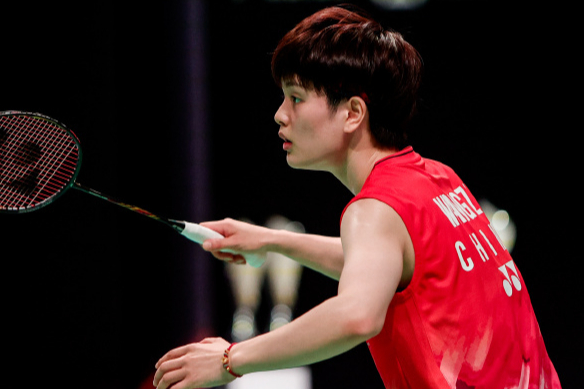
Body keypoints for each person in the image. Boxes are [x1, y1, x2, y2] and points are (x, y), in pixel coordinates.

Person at [153, 5, 561, 389]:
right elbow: (385, 268)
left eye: (295, 98)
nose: (280, 114)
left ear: (352, 113)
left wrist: (229, 360)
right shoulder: (437, 178)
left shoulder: (374, 208)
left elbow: (357, 313)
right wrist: (273, 241)